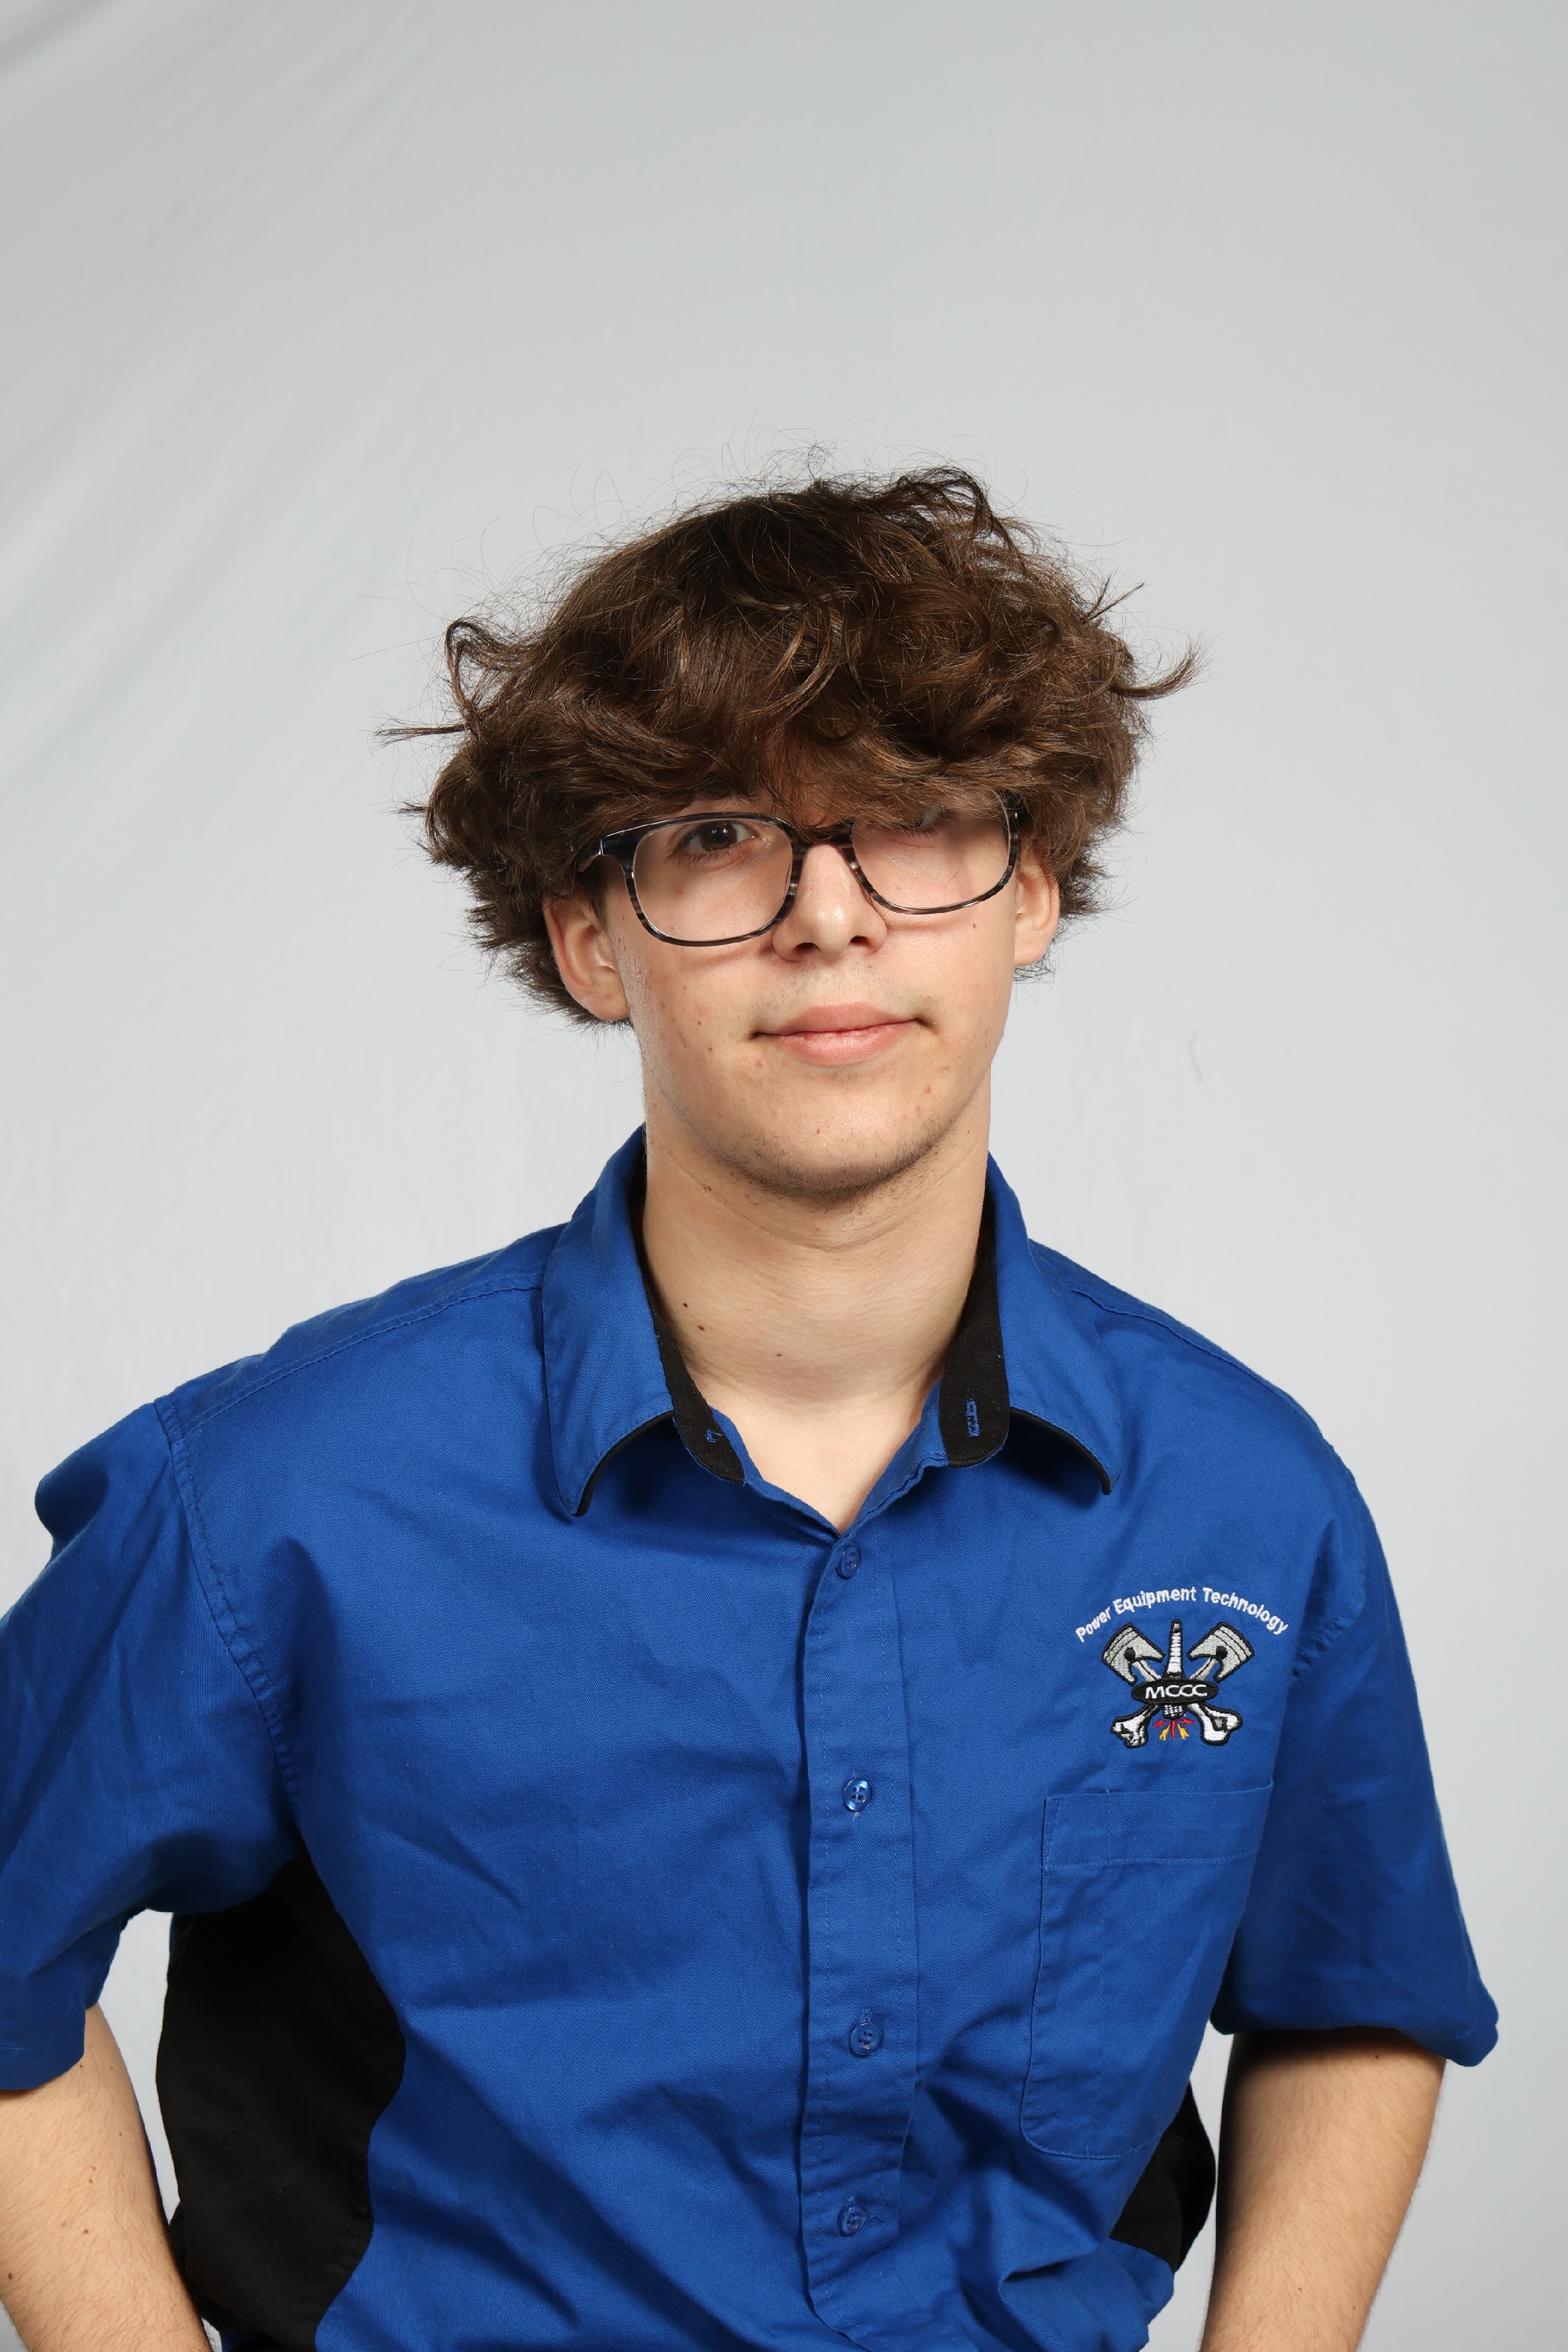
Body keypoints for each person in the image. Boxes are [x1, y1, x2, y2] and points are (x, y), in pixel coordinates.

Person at [0, 469, 1494, 2352]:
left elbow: (1350, 1996)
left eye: (920, 820)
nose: (831, 917)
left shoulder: (1248, 1502)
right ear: (587, 935)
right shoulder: (277, 1492)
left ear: (1031, 891)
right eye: (720, 836)